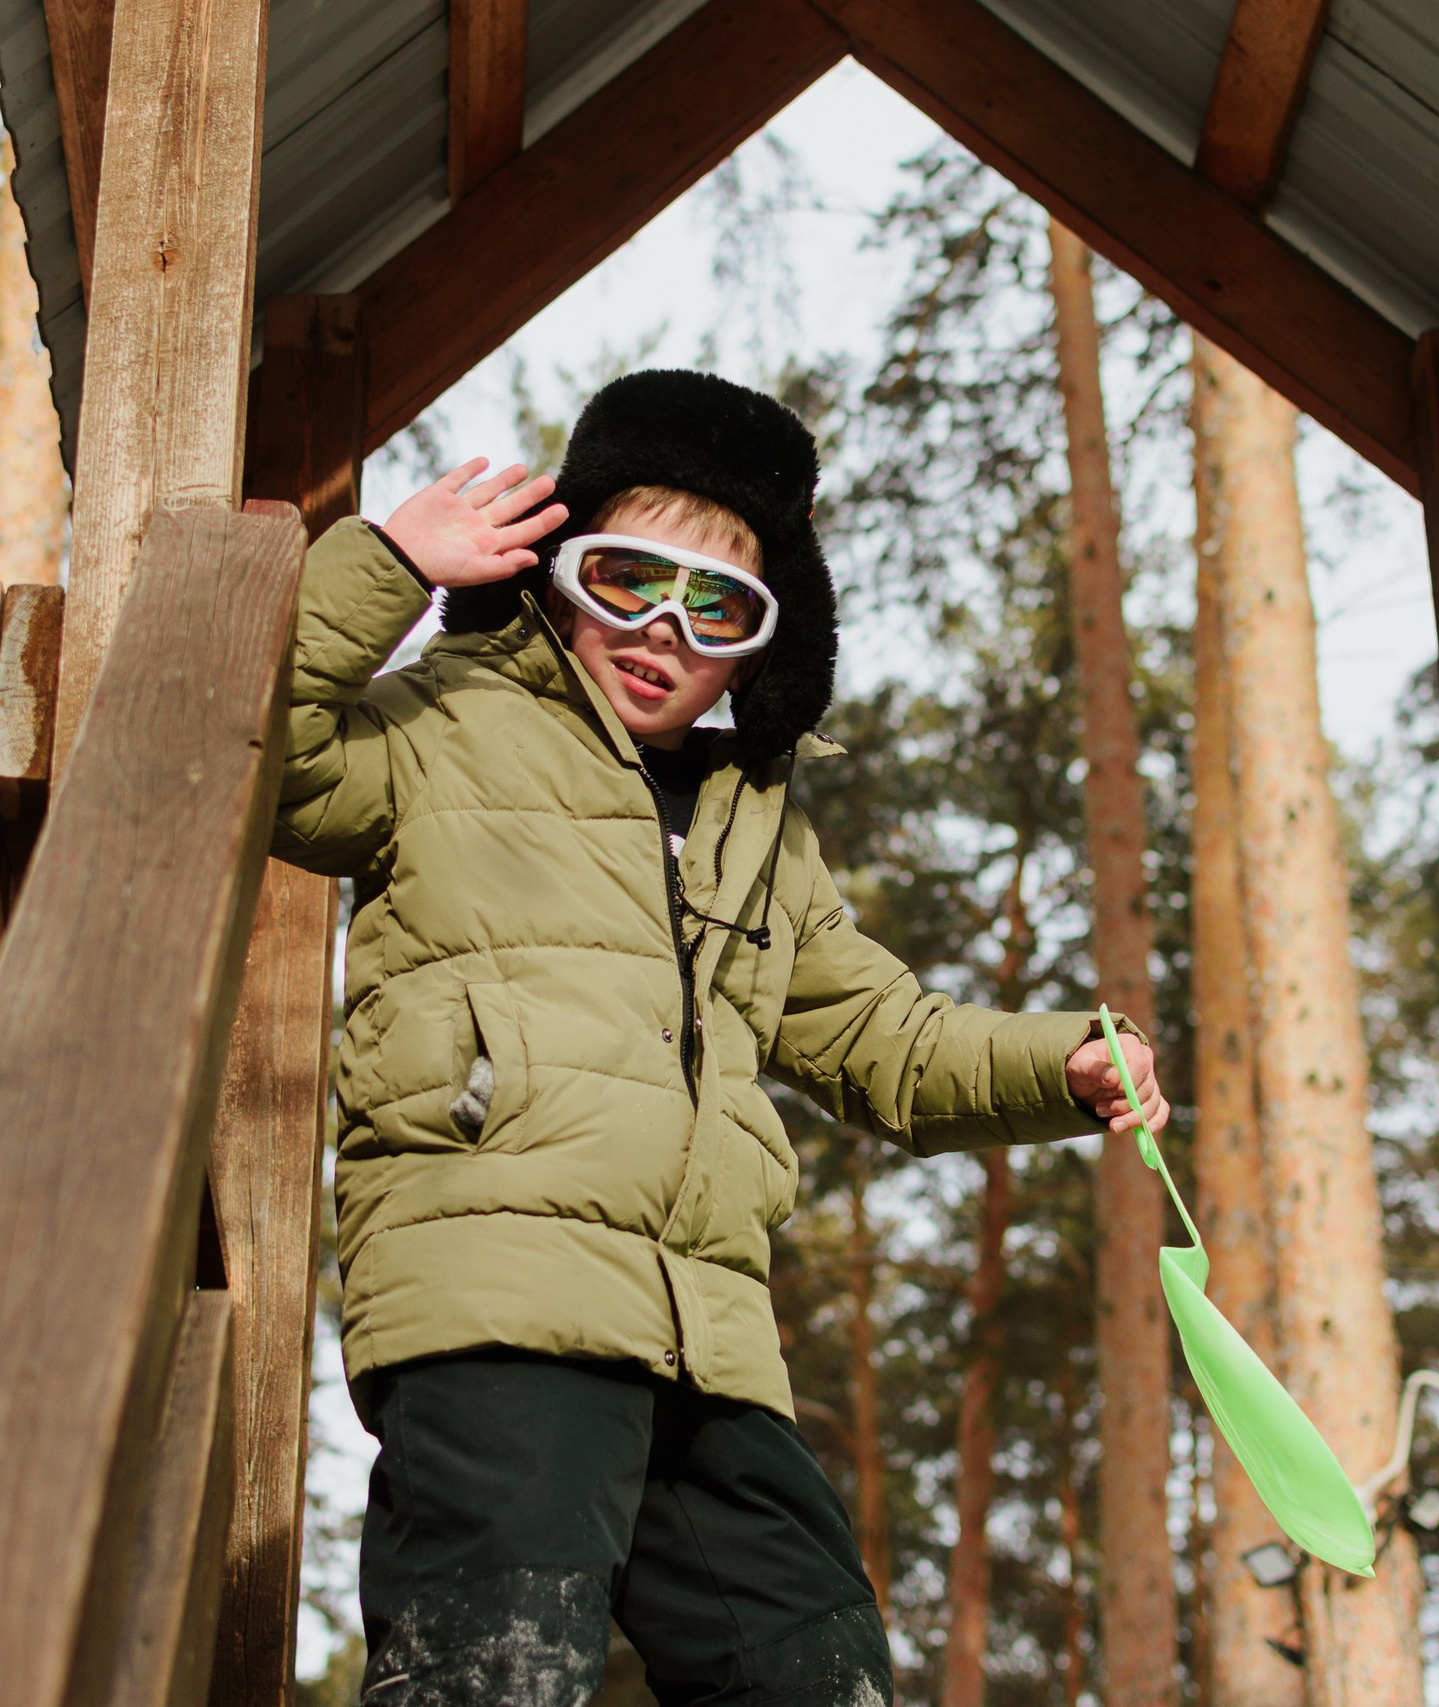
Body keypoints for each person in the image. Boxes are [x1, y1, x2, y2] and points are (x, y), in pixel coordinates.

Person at [274, 370, 1168, 1705]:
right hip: (499, 1294)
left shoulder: (759, 827)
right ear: (553, 569)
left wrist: (1061, 1063)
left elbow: (883, 1036)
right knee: (496, 1669)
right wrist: (390, 562)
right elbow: (262, 745)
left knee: (815, 1660)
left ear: (762, 641)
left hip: (708, 1335)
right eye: (627, 578)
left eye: (716, 606)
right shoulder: (443, 726)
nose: (661, 630)